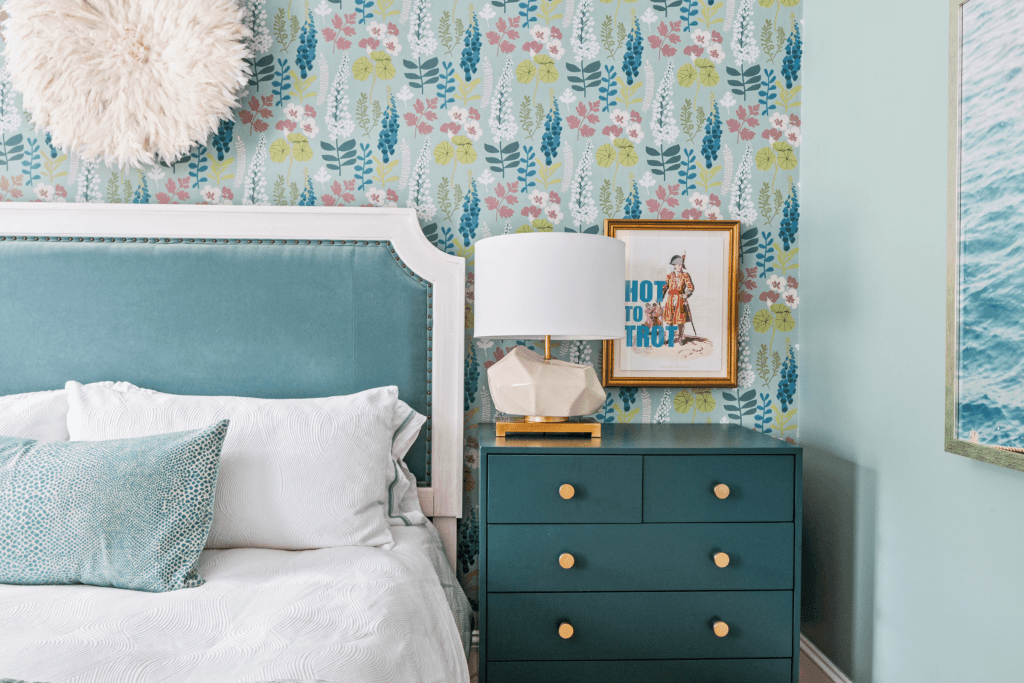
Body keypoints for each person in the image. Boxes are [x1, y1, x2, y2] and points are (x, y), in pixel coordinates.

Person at [661, 253, 695, 339]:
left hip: (680, 299)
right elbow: (664, 287)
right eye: (678, 265)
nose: (680, 267)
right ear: (675, 265)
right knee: (669, 319)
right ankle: (669, 336)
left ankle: (681, 336)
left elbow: (691, 287)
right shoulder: (669, 275)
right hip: (670, 299)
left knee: (680, 320)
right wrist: (660, 296)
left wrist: (686, 294)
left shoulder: (685, 275)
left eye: (681, 265)